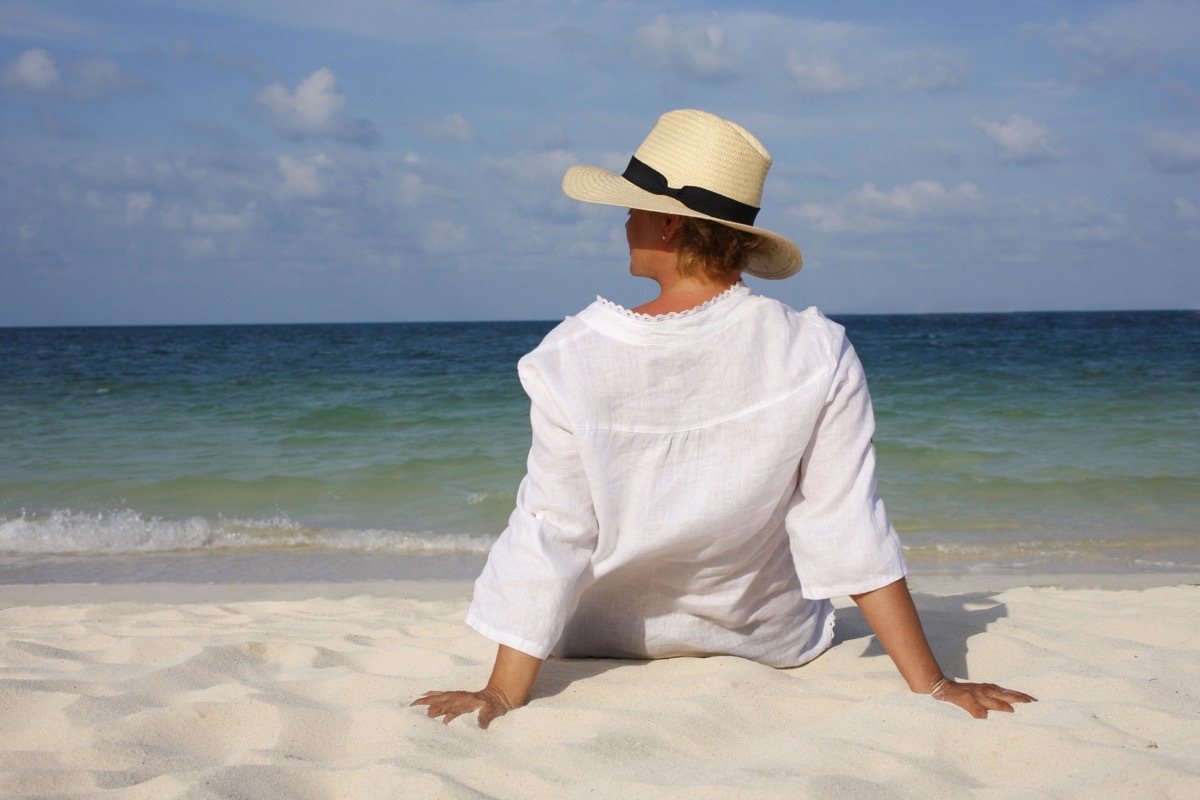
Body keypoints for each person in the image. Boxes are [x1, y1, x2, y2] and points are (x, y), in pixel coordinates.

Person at [413, 109, 1035, 728]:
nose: (624, 223)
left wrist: (500, 694)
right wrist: (932, 684)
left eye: (632, 208)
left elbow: (554, 528)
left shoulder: (570, 355)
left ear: (667, 222)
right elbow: (845, 520)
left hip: (600, 637)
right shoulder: (814, 349)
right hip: (769, 641)